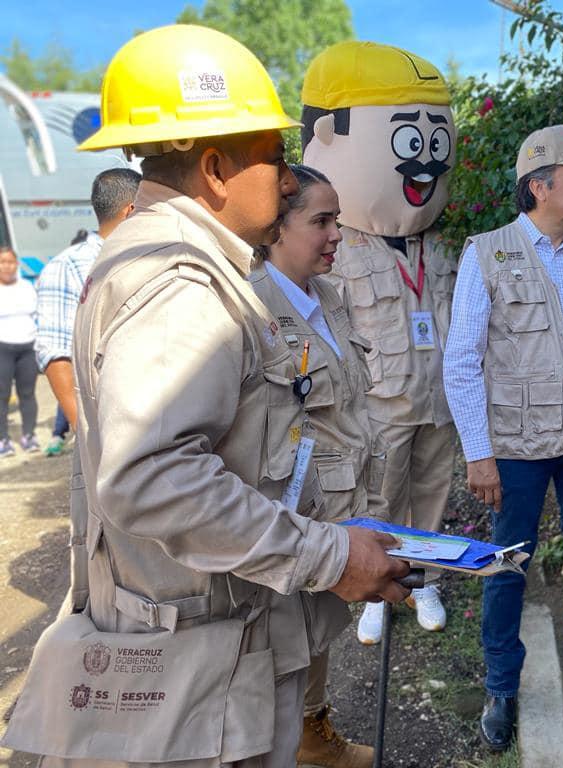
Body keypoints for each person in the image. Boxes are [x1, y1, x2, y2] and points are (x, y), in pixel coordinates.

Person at [1, 24, 410, 768]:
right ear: (216, 168)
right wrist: (324, 555)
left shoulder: (164, 266)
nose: (289, 180)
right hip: (200, 685)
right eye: (276, 158)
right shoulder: (180, 285)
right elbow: (149, 474)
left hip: (206, 654)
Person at [443, 124, 563, 752]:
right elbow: (462, 359)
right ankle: (501, 683)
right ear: (538, 186)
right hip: (516, 444)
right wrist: (478, 452)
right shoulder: (488, 254)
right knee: (508, 562)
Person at [302, 41, 459, 644]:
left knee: (433, 494)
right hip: (379, 406)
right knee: (380, 496)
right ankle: (376, 591)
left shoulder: (439, 247)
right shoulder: (338, 249)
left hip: (437, 399)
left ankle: (427, 580)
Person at [249, 163, 383, 768]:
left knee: (316, 636)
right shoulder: (250, 309)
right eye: (320, 221)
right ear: (277, 227)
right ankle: (285, 742)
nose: (336, 235)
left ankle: (311, 737)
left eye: (337, 220)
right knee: (277, 652)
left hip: (338, 504)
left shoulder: (329, 296)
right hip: (286, 516)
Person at [35, 168, 141, 456]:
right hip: (106, 432)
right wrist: (87, 436)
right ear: (132, 211)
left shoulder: (149, 258)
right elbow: (55, 355)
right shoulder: (69, 267)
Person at [0, 246, 39, 456]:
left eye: (10, 262)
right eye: (2, 262)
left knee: (27, 394)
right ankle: (3, 440)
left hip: (27, 348)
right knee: (2, 396)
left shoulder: (26, 286)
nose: (7, 266)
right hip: (2, 348)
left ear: (16, 264)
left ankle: (29, 436)